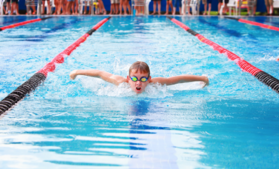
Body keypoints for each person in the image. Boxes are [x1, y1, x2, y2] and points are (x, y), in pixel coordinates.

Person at [69, 61, 209, 94]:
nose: (139, 82)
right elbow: (99, 74)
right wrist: (77, 72)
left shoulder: (155, 83)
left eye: (143, 79)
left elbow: (178, 79)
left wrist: (202, 78)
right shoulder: (120, 82)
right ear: (128, 78)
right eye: (134, 78)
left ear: (149, 79)